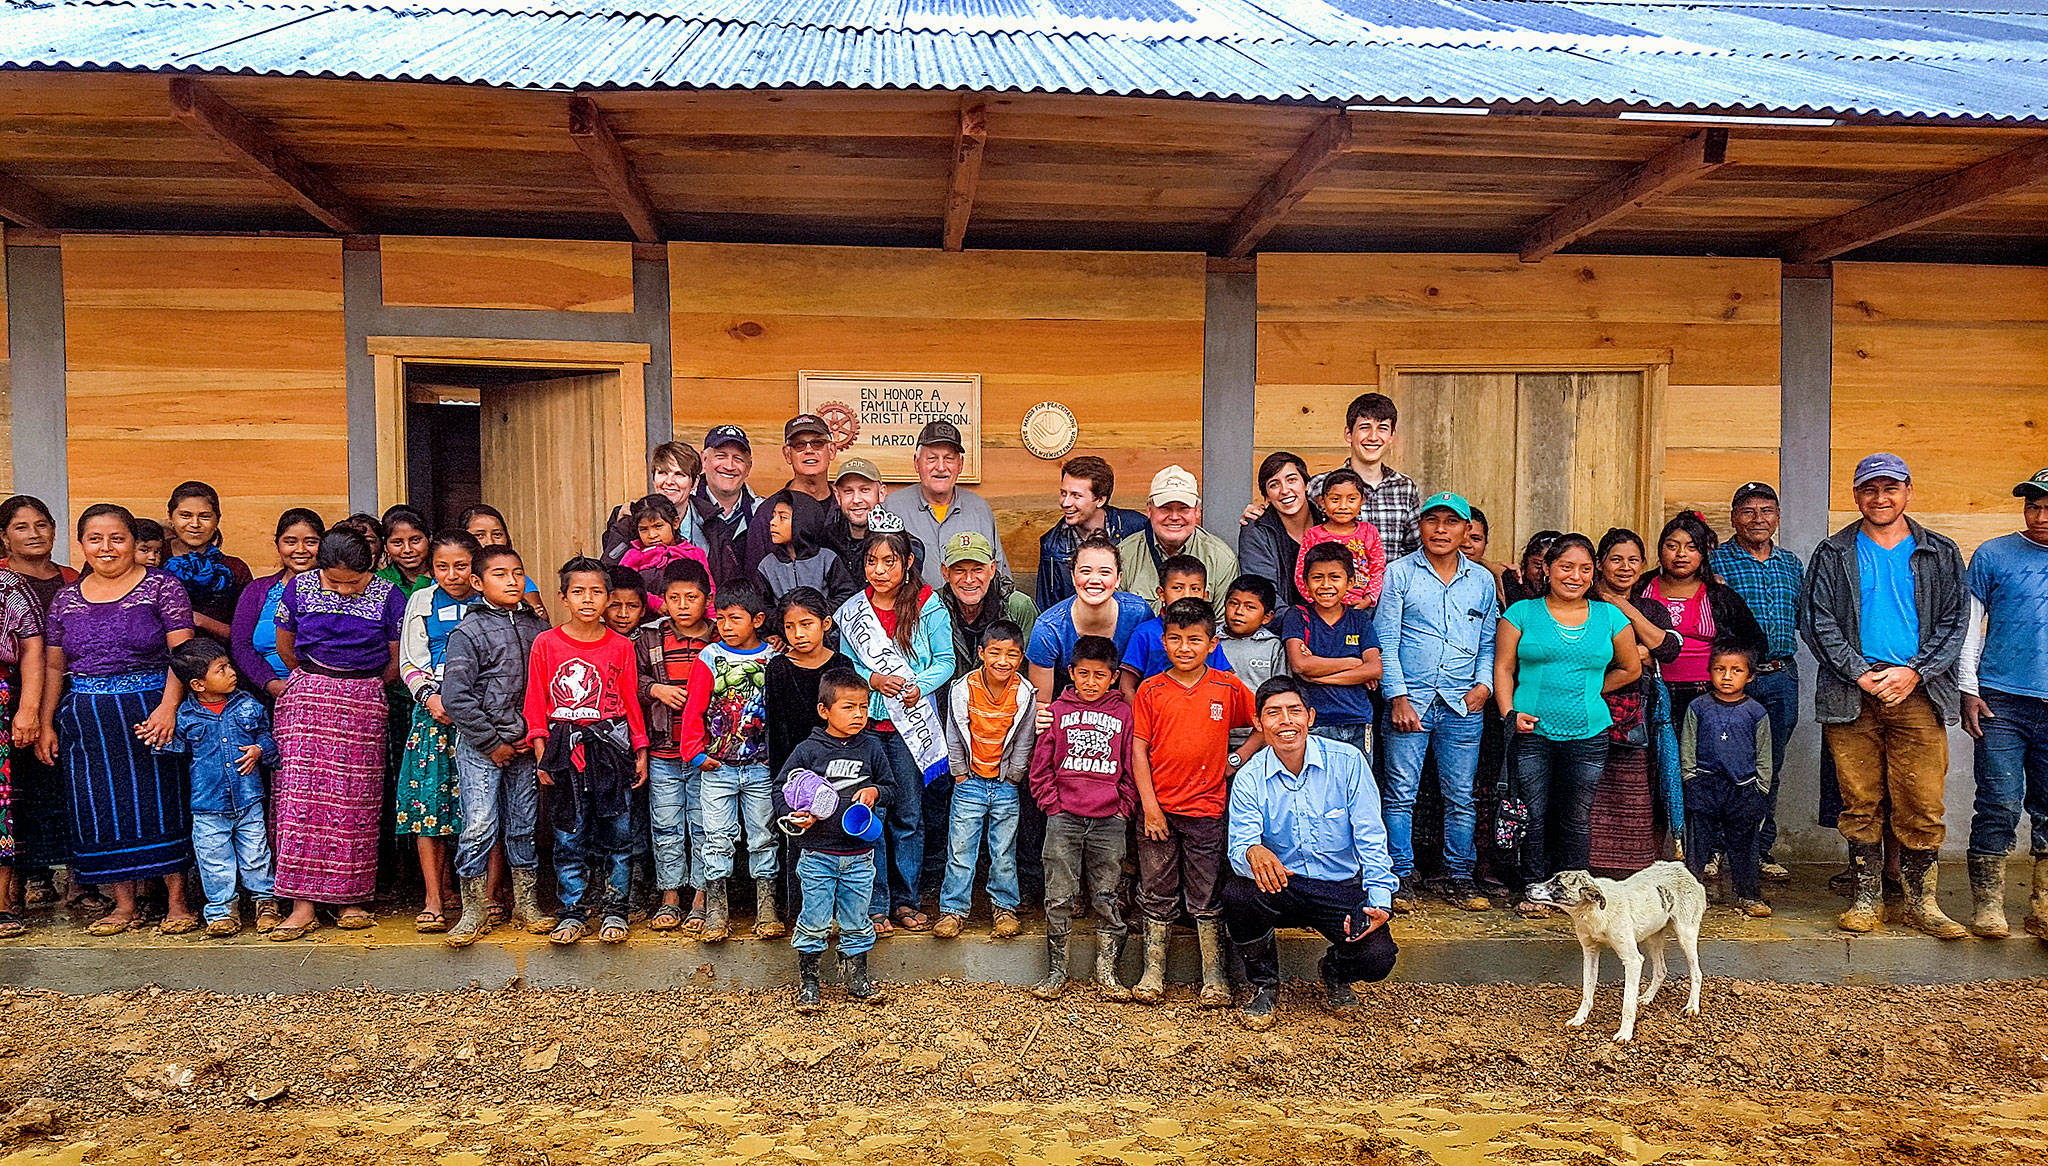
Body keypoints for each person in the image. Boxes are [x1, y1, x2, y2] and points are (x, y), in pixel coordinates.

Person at [1801, 452, 1968, 938]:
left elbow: (1956, 621)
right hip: (1852, 694)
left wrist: (1915, 672)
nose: (1880, 498)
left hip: (1918, 691)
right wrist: (1860, 673)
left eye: (1890, 488)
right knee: (1860, 799)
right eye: (1870, 489)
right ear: (1856, 496)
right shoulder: (1833, 553)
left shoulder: (1939, 550)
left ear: (1907, 492)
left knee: (1921, 798)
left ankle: (1922, 902)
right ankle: (1866, 897)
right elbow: (1818, 621)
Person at [38, 503, 201, 935]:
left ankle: (177, 902)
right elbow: (55, 667)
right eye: (95, 539)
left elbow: (183, 654)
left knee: (162, 801)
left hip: (151, 710)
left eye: (117, 538)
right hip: (88, 717)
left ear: (134, 542)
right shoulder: (66, 599)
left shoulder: (163, 587)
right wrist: (48, 721)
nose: (106, 548)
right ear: (81, 544)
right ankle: (123, 904)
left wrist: (169, 708)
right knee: (102, 806)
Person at [1224, 677, 1398, 1030]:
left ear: (1311, 717)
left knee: (1378, 958)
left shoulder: (1348, 762)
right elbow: (1239, 845)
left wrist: (1380, 900)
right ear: (1258, 723)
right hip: (1282, 885)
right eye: (1273, 713)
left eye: (1294, 711)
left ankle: (1334, 970)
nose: (1285, 721)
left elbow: (1371, 837)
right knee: (1237, 895)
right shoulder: (1250, 777)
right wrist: (1252, 851)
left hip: (1340, 886)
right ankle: (1264, 985)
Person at [266, 527, 406, 940]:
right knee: (300, 799)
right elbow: (286, 647)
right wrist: (320, 679)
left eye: (354, 582)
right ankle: (301, 904)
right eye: (334, 582)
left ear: (372, 569)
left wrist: (362, 684)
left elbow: (396, 660)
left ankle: (351, 899)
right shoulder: (298, 589)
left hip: (364, 697)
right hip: (308, 695)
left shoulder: (389, 595)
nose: (344, 590)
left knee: (355, 799)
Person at [1493, 533, 1641, 916]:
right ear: (1547, 568)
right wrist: (1509, 713)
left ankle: (1573, 892)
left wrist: (1591, 689)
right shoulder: (1521, 613)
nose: (1575, 576)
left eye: (1585, 569)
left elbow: (1631, 668)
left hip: (1589, 733)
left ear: (1593, 575)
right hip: (1531, 731)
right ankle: (1534, 889)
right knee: (1534, 812)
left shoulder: (1610, 616)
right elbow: (1504, 668)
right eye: (1566, 567)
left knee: (1576, 816)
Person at [1130, 597, 1262, 1008]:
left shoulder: (1226, 686)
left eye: (1194, 640)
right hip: (1159, 812)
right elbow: (1138, 750)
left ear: (1211, 643)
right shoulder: (1151, 691)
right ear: (1163, 642)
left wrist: (1235, 760)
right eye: (1175, 639)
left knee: (1206, 893)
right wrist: (1149, 806)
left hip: (1207, 810)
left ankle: (1215, 976)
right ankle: (1153, 972)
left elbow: (1262, 725)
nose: (1184, 648)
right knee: (1156, 888)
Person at [1375, 492, 1497, 912]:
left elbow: (1487, 641)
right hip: (1412, 702)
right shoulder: (1399, 574)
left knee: (1461, 794)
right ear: (1420, 526)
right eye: (1432, 521)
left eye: (1451, 522)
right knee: (1400, 793)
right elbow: (1386, 641)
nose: (1441, 530)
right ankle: (1398, 877)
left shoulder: (1480, 580)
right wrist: (1398, 696)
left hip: (1463, 704)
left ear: (1466, 530)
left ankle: (1459, 877)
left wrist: (1484, 686)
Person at [523, 557, 650, 946]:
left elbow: (630, 700)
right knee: (568, 836)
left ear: (608, 598)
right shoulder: (546, 643)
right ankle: (572, 912)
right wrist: (543, 754)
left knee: (618, 833)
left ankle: (616, 909)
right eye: (578, 592)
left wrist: (640, 749)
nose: (588, 599)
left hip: (611, 751)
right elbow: (536, 702)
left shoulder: (621, 646)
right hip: (565, 753)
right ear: (563, 598)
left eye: (596, 592)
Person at [836, 529, 955, 935]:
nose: (880, 570)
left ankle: (906, 900)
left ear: (907, 564)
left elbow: (946, 660)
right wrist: (871, 679)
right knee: (870, 814)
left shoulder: (928, 605)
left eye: (890, 561)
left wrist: (918, 685)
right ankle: (874, 902)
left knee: (907, 815)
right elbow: (847, 662)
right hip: (867, 726)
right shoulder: (855, 611)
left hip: (909, 728)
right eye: (872, 561)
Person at [440, 545, 553, 947]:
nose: (512, 581)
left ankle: (526, 903)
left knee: (523, 824)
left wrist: (532, 733)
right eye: (500, 574)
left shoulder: (537, 628)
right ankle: (472, 910)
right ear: (477, 582)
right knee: (479, 825)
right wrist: (491, 742)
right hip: (481, 746)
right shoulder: (467, 632)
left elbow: (546, 686)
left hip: (526, 744)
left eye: (518, 573)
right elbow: (456, 696)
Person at [1960, 467, 2048, 939]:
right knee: (1998, 801)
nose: (2039, 515)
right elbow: (1970, 628)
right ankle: (1988, 904)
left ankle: (2043, 904)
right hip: (2001, 701)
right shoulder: (1994, 555)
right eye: (2032, 505)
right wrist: (1968, 688)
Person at [1027, 634, 1137, 1000]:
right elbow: (1040, 766)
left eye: (1099, 675)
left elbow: (1131, 766)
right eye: (1084, 674)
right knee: (1058, 893)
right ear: (1071, 672)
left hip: (1109, 819)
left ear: (1113, 676)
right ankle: (1056, 970)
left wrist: (1123, 807)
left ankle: (1107, 971)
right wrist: (1051, 805)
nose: (1091, 682)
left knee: (1107, 893)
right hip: (1064, 818)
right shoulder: (1057, 712)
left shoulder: (1124, 714)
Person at [776, 667, 891, 1011]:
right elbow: (782, 790)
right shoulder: (809, 750)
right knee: (814, 918)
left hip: (859, 854)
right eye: (848, 707)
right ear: (824, 711)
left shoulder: (871, 747)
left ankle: (857, 978)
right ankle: (809, 982)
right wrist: (797, 814)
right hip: (816, 853)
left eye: (864, 707)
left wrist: (874, 791)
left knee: (857, 918)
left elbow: (892, 789)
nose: (858, 714)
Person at [1708, 482, 1805, 881]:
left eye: (1767, 510)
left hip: (1781, 676)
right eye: (1748, 511)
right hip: (1732, 680)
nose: (1758, 519)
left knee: (1770, 767)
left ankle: (1759, 851)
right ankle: (1713, 850)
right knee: (1720, 765)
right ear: (1733, 518)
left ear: (1778, 517)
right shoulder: (1715, 562)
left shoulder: (1791, 564)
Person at [675, 579, 779, 943]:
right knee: (716, 838)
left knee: (763, 837)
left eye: (735, 619)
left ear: (758, 620)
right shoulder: (709, 658)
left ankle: (766, 907)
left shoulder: (772, 660)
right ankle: (717, 910)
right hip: (717, 768)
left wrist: (776, 758)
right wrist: (695, 752)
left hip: (761, 768)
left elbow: (779, 714)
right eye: (720, 619)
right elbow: (695, 708)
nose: (726, 627)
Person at [394, 531, 483, 934]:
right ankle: (433, 896)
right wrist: (431, 697)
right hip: (434, 716)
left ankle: (480, 897)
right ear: (431, 569)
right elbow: (410, 661)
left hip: (482, 716)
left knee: (478, 808)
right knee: (429, 807)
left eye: (461, 566)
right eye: (442, 567)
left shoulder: (488, 602)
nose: (452, 574)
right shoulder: (422, 601)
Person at [160, 638, 278, 937]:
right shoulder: (184, 716)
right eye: (221, 669)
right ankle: (222, 910)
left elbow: (268, 738)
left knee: (256, 854)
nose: (231, 672)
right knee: (214, 858)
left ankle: (265, 903)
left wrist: (258, 750)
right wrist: (154, 736)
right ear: (198, 684)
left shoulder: (250, 705)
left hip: (248, 797)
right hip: (207, 804)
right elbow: (170, 749)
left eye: (228, 665)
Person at [1588, 529, 1685, 880]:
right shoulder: (1583, 603)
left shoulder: (1649, 607)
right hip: (1591, 708)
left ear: (1643, 565)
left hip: (1636, 716)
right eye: (1616, 559)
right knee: (1591, 790)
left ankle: (1632, 876)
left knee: (1634, 792)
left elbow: (1668, 648)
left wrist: (1620, 603)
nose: (1625, 567)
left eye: (1633, 560)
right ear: (1600, 564)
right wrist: (1635, 654)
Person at [936, 621, 1037, 939]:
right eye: (995, 652)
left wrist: (1014, 777)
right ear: (981, 653)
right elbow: (953, 732)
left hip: (1005, 784)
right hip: (970, 783)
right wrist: (960, 773)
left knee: (1003, 851)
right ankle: (953, 911)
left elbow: (1024, 739)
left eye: (1012, 654)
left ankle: (1004, 908)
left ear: (1020, 658)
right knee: (961, 849)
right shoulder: (963, 689)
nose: (1003, 661)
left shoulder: (1024, 693)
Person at [0, 496, 77, 911]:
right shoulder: (3, 581)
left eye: (42, 525)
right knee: (15, 789)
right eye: (22, 527)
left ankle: (70, 878)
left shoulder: (72, 579)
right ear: (4, 537)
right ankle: (31, 877)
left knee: (58, 784)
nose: (34, 534)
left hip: (65, 692)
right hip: (13, 694)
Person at [637, 558, 719, 934]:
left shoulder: (720, 638)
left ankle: (702, 897)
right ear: (663, 601)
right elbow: (631, 679)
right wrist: (656, 689)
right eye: (674, 598)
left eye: (692, 597)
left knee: (705, 826)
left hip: (706, 752)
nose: (683, 605)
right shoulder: (650, 638)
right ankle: (670, 895)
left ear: (707, 599)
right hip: (663, 749)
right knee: (666, 824)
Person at [1636, 511, 1767, 714]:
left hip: (1708, 694)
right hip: (1647, 690)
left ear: (1703, 553)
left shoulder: (1719, 596)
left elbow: (1755, 642)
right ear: (1660, 550)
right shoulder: (1640, 588)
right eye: (1672, 546)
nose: (1681, 554)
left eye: (1692, 547)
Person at [1681, 644, 1775, 918]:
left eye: (1736, 670)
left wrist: (1761, 787)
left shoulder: (1756, 712)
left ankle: (1748, 896)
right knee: (1698, 847)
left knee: (1745, 846)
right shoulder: (1698, 707)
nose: (1727, 676)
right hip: (1705, 785)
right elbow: (1687, 743)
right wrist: (1690, 776)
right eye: (1720, 669)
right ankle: (1691, 897)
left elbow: (1764, 751)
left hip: (1743, 788)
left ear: (1750, 677)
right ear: (1709, 672)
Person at [1025, 534, 1153, 721]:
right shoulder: (1049, 628)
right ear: (1073, 575)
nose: (1094, 579)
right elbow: (1042, 702)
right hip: (1068, 718)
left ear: (1118, 579)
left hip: (1128, 717)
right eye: (1085, 571)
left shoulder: (1138, 613)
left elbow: (1151, 678)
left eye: (1104, 572)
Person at [1283, 543, 1383, 758]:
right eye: (1317, 577)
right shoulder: (1299, 616)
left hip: (1357, 718)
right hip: (1315, 721)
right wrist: (1353, 663)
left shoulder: (1359, 619)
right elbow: (1300, 664)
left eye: (1334, 577)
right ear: (1306, 583)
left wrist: (1318, 677)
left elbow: (1374, 670)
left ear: (1351, 582)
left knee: (1357, 787)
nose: (1326, 585)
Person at [887, 420, 1007, 588]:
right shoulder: (891, 508)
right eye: (932, 459)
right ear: (916, 463)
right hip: (910, 612)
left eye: (949, 459)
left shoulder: (979, 510)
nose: (941, 467)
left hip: (969, 613)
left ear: (960, 465)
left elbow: (1001, 575)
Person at [230, 509, 324, 702]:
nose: (300, 550)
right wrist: (270, 683)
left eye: (311, 542)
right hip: (264, 695)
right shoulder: (257, 590)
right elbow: (241, 645)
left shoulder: (338, 590)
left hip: (322, 693)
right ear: (278, 545)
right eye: (290, 542)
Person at [1119, 465, 1240, 611]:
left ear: (1197, 512)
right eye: (1165, 508)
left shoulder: (1221, 559)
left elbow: (1222, 626)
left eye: (1184, 508)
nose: (1174, 517)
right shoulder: (1124, 555)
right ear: (1149, 511)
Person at [1037, 456, 1149, 609]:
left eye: (1076, 495)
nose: (1065, 503)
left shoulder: (1136, 527)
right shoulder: (1052, 544)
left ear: (1100, 500)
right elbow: (1049, 608)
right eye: (1063, 493)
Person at [0, 565, 45, 936]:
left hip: (1, 699)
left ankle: (1, 903)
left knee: (0, 803)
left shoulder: (9, 586)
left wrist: (28, 708)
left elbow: (33, 647)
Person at [743, 414, 842, 578]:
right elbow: (755, 579)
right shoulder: (768, 512)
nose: (809, 450)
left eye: (817, 443)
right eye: (799, 445)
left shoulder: (845, 508)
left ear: (831, 450)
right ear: (787, 454)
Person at [1118, 554, 1233, 691]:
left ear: (1205, 595)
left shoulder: (1206, 633)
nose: (1186, 595)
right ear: (1161, 593)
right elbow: (1126, 687)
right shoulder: (1145, 633)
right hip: (1154, 708)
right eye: (1178, 588)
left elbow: (1227, 682)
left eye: (1195, 589)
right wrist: (1140, 712)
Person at [938, 532, 1038, 684]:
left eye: (978, 570)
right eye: (959, 570)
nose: (969, 579)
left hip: (1006, 701)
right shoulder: (932, 607)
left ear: (992, 569)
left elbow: (1033, 667)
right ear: (945, 572)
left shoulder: (1018, 607)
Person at [163, 481, 253, 643]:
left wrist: (200, 621)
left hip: (216, 659)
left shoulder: (234, 569)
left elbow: (246, 635)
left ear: (217, 520)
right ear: (170, 517)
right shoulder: (153, 559)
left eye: (205, 516)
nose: (195, 524)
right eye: (185, 515)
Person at [1293, 469, 1386, 612]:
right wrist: (1316, 601)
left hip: (1360, 606)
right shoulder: (1314, 535)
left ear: (1362, 501)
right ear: (1322, 501)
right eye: (1335, 499)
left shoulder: (1369, 532)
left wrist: (1369, 599)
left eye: (1352, 499)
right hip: (1321, 607)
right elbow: (1301, 574)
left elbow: (1377, 569)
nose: (1343, 506)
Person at [1237, 452, 1319, 610]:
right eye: (1274, 484)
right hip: (1282, 626)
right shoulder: (1257, 531)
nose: (1285, 490)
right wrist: (1297, 626)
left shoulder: (1328, 521)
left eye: (1292, 480)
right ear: (1266, 496)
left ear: (1306, 483)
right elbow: (1263, 593)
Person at [604, 440, 706, 566]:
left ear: (695, 482)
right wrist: (626, 527)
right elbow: (609, 570)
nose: (669, 481)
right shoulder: (628, 516)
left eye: (679, 474)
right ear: (653, 478)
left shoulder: (710, 521)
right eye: (662, 473)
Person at [755, 487, 858, 611]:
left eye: (782, 517)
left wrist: (819, 614)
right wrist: (782, 620)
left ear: (802, 522)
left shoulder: (826, 559)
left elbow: (847, 593)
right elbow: (763, 605)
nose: (772, 522)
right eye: (773, 516)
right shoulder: (767, 565)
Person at [1218, 575, 1285, 749]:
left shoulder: (1272, 646)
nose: (1239, 611)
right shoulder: (1211, 641)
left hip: (1259, 735)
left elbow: (1280, 695)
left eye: (1250, 607)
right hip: (1214, 731)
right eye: (1233, 603)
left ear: (1267, 617)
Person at [691, 425, 762, 589]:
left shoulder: (762, 512)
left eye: (738, 459)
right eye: (721, 456)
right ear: (704, 460)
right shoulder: (685, 508)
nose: (729, 466)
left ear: (748, 467)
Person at [620, 495, 714, 616]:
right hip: (646, 620)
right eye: (644, 529)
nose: (652, 535)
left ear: (675, 523)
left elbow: (709, 588)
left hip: (690, 618)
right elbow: (624, 585)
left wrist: (711, 618)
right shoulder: (634, 554)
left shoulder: (694, 553)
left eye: (658, 526)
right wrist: (655, 603)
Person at [377, 506, 432, 596]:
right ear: (385, 547)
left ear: (429, 539)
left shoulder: (446, 575)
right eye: (397, 543)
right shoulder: (380, 582)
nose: (407, 549)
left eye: (415, 540)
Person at [604, 567, 648, 636]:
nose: (623, 615)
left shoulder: (654, 641)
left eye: (632, 606)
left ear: (643, 610)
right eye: (614, 605)